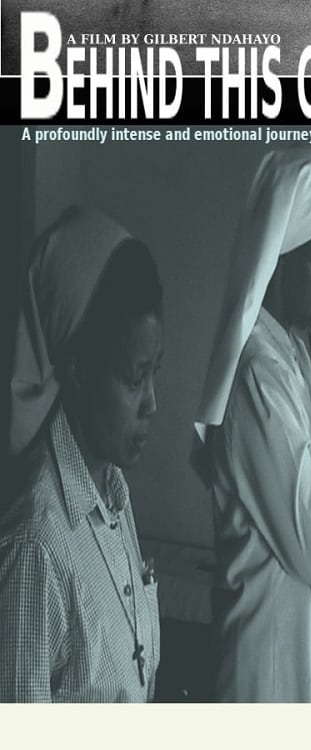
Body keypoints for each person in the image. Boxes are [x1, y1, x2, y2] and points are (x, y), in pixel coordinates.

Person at [194, 148, 311, 702]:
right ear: (280, 259)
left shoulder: (291, 351)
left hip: (302, 670)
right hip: (268, 684)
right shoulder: (257, 378)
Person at [0, 206, 162, 702]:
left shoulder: (112, 494)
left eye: (155, 372)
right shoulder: (37, 545)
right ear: (76, 369)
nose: (152, 403)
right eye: (134, 378)